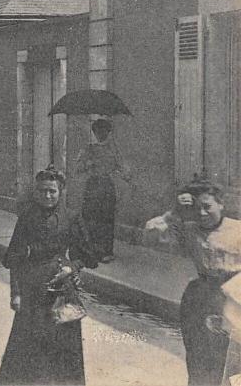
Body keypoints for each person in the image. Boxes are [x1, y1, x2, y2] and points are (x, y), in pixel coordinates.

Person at [0, 166, 100, 386]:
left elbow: (89, 256)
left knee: (64, 345)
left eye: (52, 191)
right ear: (36, 192)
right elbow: (14, 259)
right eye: (42, 191)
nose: (47, 196)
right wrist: (15, 294)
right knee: (29, 346)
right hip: (32, 288)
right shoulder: (27, 218)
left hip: (61, 289)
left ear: (60, 191)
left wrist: (72, 268)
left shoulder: (71, 217)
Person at [145, 177, 241, 386]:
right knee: (198, 358)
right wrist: (176, 211)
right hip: (199, 299)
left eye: (207, 206)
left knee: (230, 362)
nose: (202, 213)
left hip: (234, 300)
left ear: (221, 204)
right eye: (197, 208)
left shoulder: (238, 230)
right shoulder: (189, 230)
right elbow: (151, 233)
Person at [75, 118, 131, 263]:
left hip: (106, 186)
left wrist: (123, 174)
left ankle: (106, 251)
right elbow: (78, 168)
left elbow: (124, 169)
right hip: (92, 186)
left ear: (108, 132)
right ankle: (91, 250)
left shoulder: (113, 149)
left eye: (104, 131)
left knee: (106, 219)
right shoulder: (88, 149)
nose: (101, 134)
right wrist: (88, 163)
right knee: (89, 218)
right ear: (94, 132)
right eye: (98, 131)